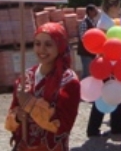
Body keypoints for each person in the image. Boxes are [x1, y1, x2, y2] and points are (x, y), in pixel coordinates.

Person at [6, 22, 81, 151]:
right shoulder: (25, 78)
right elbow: (10, 120)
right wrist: (17, 118)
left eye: (48, 44)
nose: (42, 49)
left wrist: (31, 105)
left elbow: (62, 125)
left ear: (60, 46)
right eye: (37, 44)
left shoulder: (68, 81)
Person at [87, 0, 121, 137]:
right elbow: (104, 46)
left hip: (109, 62)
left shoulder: (105, 20)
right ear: (112, 7)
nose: (119, 10)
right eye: (118, 7)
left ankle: (116, 125)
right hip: (108, 63)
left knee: (111, 93)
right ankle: (97, 128)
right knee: (107, 94)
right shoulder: (105, 22)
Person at [77, 4, 99, 79]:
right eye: (94, 11)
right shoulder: (84, 23)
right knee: (86, 72)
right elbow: (83, 37)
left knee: (91, 71)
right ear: (89, 11)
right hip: (85, 52)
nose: (96, 12)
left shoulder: (93, 22)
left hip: (91, 52)